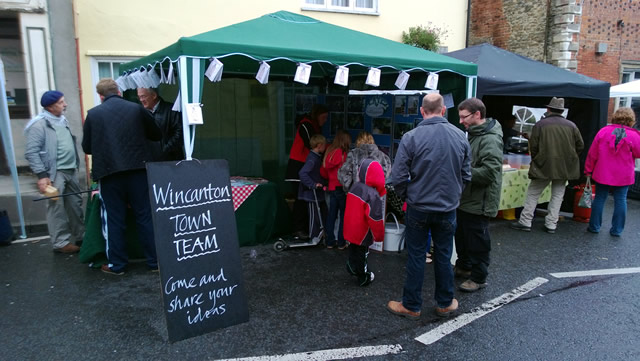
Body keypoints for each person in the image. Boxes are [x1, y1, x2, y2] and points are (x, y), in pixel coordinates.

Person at [386, 93, 471, 319]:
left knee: (416, 255)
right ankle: (444, 303)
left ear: (422, 112)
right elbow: (466, 175)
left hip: (419, 207)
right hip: (447, 208)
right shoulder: (460, 136)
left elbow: (397, 176)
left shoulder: (411, 137)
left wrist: (407, 196)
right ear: (444, 111)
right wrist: (454, 196)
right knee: (443, 256)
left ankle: (411, 305)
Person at [82, 79, 162, 275]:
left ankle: (118, 265)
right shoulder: (136, 109)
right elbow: (156, 134)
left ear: (101, 96)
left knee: (114, 219)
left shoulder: (93, 114)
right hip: (137, 169)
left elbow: (87, 147)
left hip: (109, 173)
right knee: (144, 216)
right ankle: (155, 262)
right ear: (118, 91)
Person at [510, 97, 584, 233]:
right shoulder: (572, 126)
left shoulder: (540, 125)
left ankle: (525, 221)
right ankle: (551, 224)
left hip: (543, 164)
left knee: (533, 193)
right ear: (561, 111)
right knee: (558, 195)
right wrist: (569, 158)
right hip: (564, 166)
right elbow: (580, 145)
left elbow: (534, 145)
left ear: (548, 109)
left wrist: (537, 158)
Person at [24, 91, 84, 254]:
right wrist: (42, 175)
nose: (65, 105)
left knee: (75, 204)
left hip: (70, 170)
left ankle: (81, 235)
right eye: (61, 102)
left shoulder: (62, 120)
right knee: (55, 206)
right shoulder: (39, 125)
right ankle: (60, 242)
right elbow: (31, 152)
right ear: (50, 107)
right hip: (53, 173)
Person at [454, 98, 503, 292]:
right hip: (468, 198)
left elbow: (490, 172)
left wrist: (462, 171)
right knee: (463, 235)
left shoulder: (490, 138)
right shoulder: (474, 134)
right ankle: (465, 266)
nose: (461, 121)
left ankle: (479, 277)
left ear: (477, 115)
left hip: (480, 201)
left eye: (464, 117)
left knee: (477, 240)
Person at [584, 108, 640, 236]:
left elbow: (592, 153)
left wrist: (588, 170)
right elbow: (638, 153)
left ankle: (594, 227)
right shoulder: (634, 135)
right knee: (621, 200)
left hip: (603, 172)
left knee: (599, 198)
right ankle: (617, 230)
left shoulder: (603, 131)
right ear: (631, 120)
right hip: (624, 174)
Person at [286, 104, 328, 238]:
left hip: (304, 166)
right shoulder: (306, 126)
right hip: (298, 165)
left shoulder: (314, 126)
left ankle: (305, 228)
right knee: (301, 200)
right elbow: (309, 143)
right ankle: (298, 229)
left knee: (304, 201)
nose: (325, 120)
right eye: (324, 117)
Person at [344, 159, 386, 286]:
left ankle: (352, 267)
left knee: (353, 248)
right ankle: (363, 277)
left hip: (350, 227)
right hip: (363, 230)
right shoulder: (373, 195)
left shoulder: (355, 186)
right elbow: (375, 218)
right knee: (363, 254)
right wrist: (379, 236)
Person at [321, 130, 351, 249]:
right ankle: (341, 242)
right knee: (343, 215)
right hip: (341, 187)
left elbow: (323, 171)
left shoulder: (330, 152)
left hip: (331, 187)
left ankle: (330, 241)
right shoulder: (342, 154)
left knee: (331, 215)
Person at [137, 87, 184, 161]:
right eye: (139, 97)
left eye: (143, 96)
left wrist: (163, 151)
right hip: (150, 161)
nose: (141, 100)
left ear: (154, 95)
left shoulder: (172, 110)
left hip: (172, 161)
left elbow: (179, 134)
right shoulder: (141, 113)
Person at [298, 134, 328, 241]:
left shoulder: (315, 157)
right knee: (314, 216)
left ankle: (318, 235)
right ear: (319, 145)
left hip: (316, 193)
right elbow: (302, 173)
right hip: (312, 193)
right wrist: (313, 184)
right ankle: (313, 236)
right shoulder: (312, 159)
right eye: (324, 145)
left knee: (319, 214)